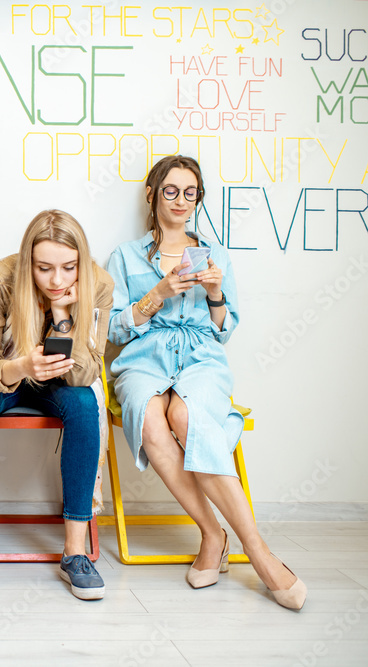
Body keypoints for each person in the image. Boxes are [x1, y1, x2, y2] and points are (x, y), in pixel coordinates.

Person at [106, 155, 306, 610]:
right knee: (152, 420)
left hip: (201, 357)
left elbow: (223, 328)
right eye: (171, 190)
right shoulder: (124, 257)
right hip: (143, 357)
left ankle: (257, 551)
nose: (180, 200)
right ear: (152, 194)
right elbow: (112, 330)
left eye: (190, 192)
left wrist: (214, 293)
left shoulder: (215, 254)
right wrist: (156, 295)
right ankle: (213, 534)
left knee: (185, 413)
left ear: (199, 198)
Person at [0, 210, 113, 604]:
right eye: (44, 269)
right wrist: (22, 366)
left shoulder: (100, 285)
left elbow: (86, 372)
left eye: (68, 268)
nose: (57, 280)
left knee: (83, 401)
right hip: (9, 371)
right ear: (28, 263)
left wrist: (61, 318)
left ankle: (75, 551)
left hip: (61, 381)